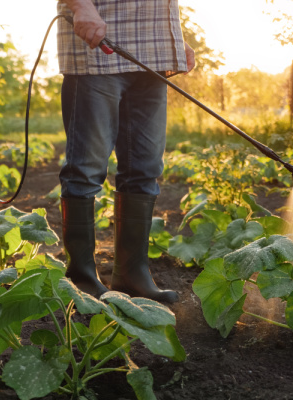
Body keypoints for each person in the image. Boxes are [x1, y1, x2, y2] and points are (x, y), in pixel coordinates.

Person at [57, 0, 195, 303]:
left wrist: (173, 38)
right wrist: (81, 6)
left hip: (153, 54)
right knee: (86, 170)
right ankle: (81, 282)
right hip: (97, 49)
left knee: (144, 170)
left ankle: (132, 275)